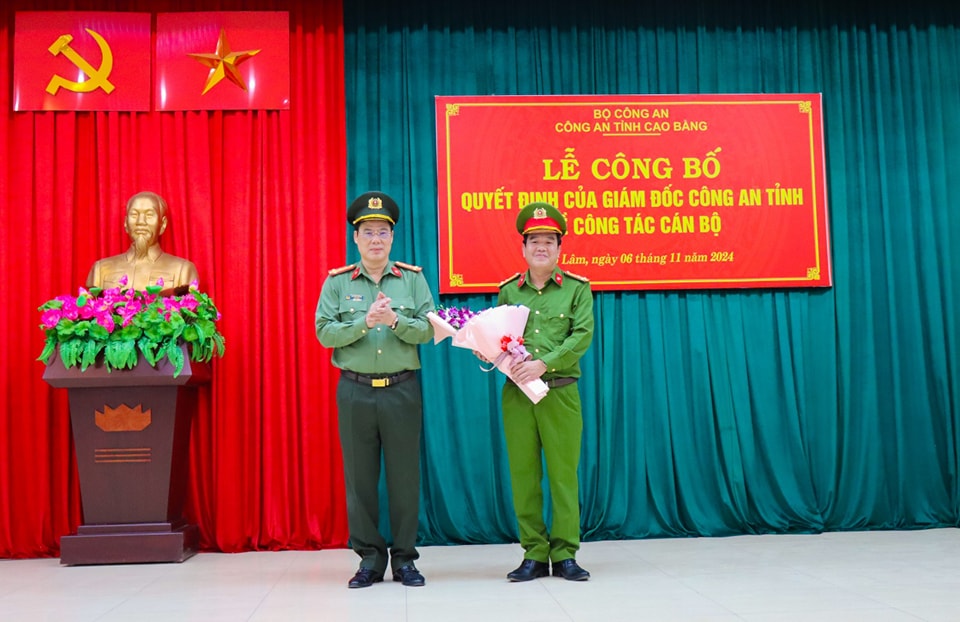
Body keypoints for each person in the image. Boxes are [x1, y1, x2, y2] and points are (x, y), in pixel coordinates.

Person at [315, 191, 435, 589]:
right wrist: (365, 322)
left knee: (404, 478)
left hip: (402, 390)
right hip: (355, 391)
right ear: (356, 238)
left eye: (383, 232)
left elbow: (431, 329)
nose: (376, 240)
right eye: (368, 232)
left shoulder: (413, 280)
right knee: (360, 479)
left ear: (393, 237)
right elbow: (323, 333)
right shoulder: (337, 282)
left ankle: (404, 560)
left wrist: (396, 320)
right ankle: (369, 558)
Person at [496, 202, 594, 582]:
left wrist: (544, 363)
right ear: (523, 248)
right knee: (523, 474)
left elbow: (581, 335)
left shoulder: (577, 290)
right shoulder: (508, 291)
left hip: (560, 392)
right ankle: (534, 554)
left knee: (562, 475)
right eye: (534, 240)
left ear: (559, 248)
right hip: (518, 396)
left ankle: (565, 553)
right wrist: (485, 347)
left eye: (549, 241)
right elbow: (499, 338)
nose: (541, 247)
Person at [86, 191, 199, 291]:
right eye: (134, 214)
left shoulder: (183, 270)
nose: (141, 221)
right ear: (125, 223)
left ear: (162, 224)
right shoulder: (101, 269)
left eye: (149, 215)